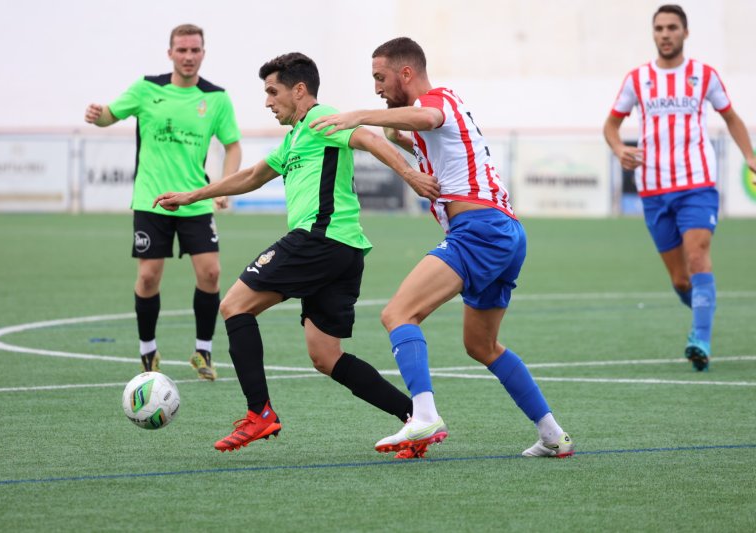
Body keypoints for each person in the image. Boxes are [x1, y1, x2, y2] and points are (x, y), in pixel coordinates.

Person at [153, 52, 441, 457]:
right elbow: (253, 175)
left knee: (235, 306)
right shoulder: (294, 137)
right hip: (343, 251)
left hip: (317, 241)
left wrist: (409, 173)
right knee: (325, 356)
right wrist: (192, 196)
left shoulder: (324, 119)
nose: (268, 101)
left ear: (299, 90)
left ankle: (259, 414)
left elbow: (368, 137)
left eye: (273, 92)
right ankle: (417, 420)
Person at [310, 37, 574, 458]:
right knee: (481, 346)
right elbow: (426, 139)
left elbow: (429, 117)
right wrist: (395, 133)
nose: (377, 87)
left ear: (407, 73)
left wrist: (358, 115)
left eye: (381, 78)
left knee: (398, 313)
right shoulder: (445, 112)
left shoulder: (439, 99)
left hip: (479, 230)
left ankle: (424, 415)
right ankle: (552, 435)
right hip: (504, 232)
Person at [84, 24, 243, 381]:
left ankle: (203, 350)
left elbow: (232, 145)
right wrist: (99, 117)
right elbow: (111, 114)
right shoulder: (146, 88)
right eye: (182, 50)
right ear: (170, 53)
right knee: (148, 276)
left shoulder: (216, 98)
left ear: (203, 53)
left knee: (212, 273)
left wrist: (224, 187)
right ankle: (147, 351)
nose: (188, 57)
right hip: (151, 201)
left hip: (195, 201)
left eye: (195, 50)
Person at [603, 4, 756, 371]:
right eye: (659, 28)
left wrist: (750, 156)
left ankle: (700, 338)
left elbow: (731, 117)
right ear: (653, 34)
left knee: (698, 256)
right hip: (653, 188)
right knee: (680, 277)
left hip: (696, 184)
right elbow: (610, 125)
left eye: (672, 27)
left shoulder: (703, 76)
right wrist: (619, 148)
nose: (665, 34)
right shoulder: (637, 79)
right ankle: (703, 317)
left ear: (685, 33)